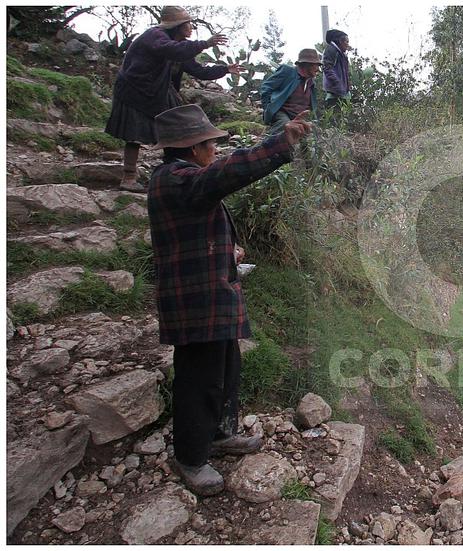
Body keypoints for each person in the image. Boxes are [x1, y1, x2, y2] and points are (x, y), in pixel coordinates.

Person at [147, 104, 313, 495]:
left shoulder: (180, 178)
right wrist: (279, 143)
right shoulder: (176, 180)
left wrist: (228, 250)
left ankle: (220, 434)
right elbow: (224, 175)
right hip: (196, 301)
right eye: (210, 144)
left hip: (210, 294)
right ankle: (190, 456)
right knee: (199, 377)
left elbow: (197, 228)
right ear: (192, 148)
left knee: (225, 367)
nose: (215, 152)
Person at [105, 6, 242, 191]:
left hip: (158, 92)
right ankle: (129, 177)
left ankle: (176, 172)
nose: (191, 27)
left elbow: (199, 70)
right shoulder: (155, 36)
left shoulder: (180, 47)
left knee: (177, 131)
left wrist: (225, 69)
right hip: (134, 90)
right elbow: (171, 50)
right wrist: (205, 43)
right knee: (134, 133)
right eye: (188, 24)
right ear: (177, 26)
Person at [259, 48, 322, 134]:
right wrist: (268, 109)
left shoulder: (311, 82)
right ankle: (266, 145)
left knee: (314, 133)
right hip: (282, 113)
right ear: (307, 64)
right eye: (316, 65)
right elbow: (266, 88)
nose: (318, 69)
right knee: (285, 127)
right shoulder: (288, 71)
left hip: (300, 115)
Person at [321, 29, 352, 110]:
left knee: (344, 119)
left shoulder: (342, 54)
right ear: (340, 41)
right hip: (334, 95)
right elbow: (327, 68)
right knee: (336, 118)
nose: (348, 44)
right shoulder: (331, 50)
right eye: (346, 41)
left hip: (342, 93)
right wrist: (337, 84)